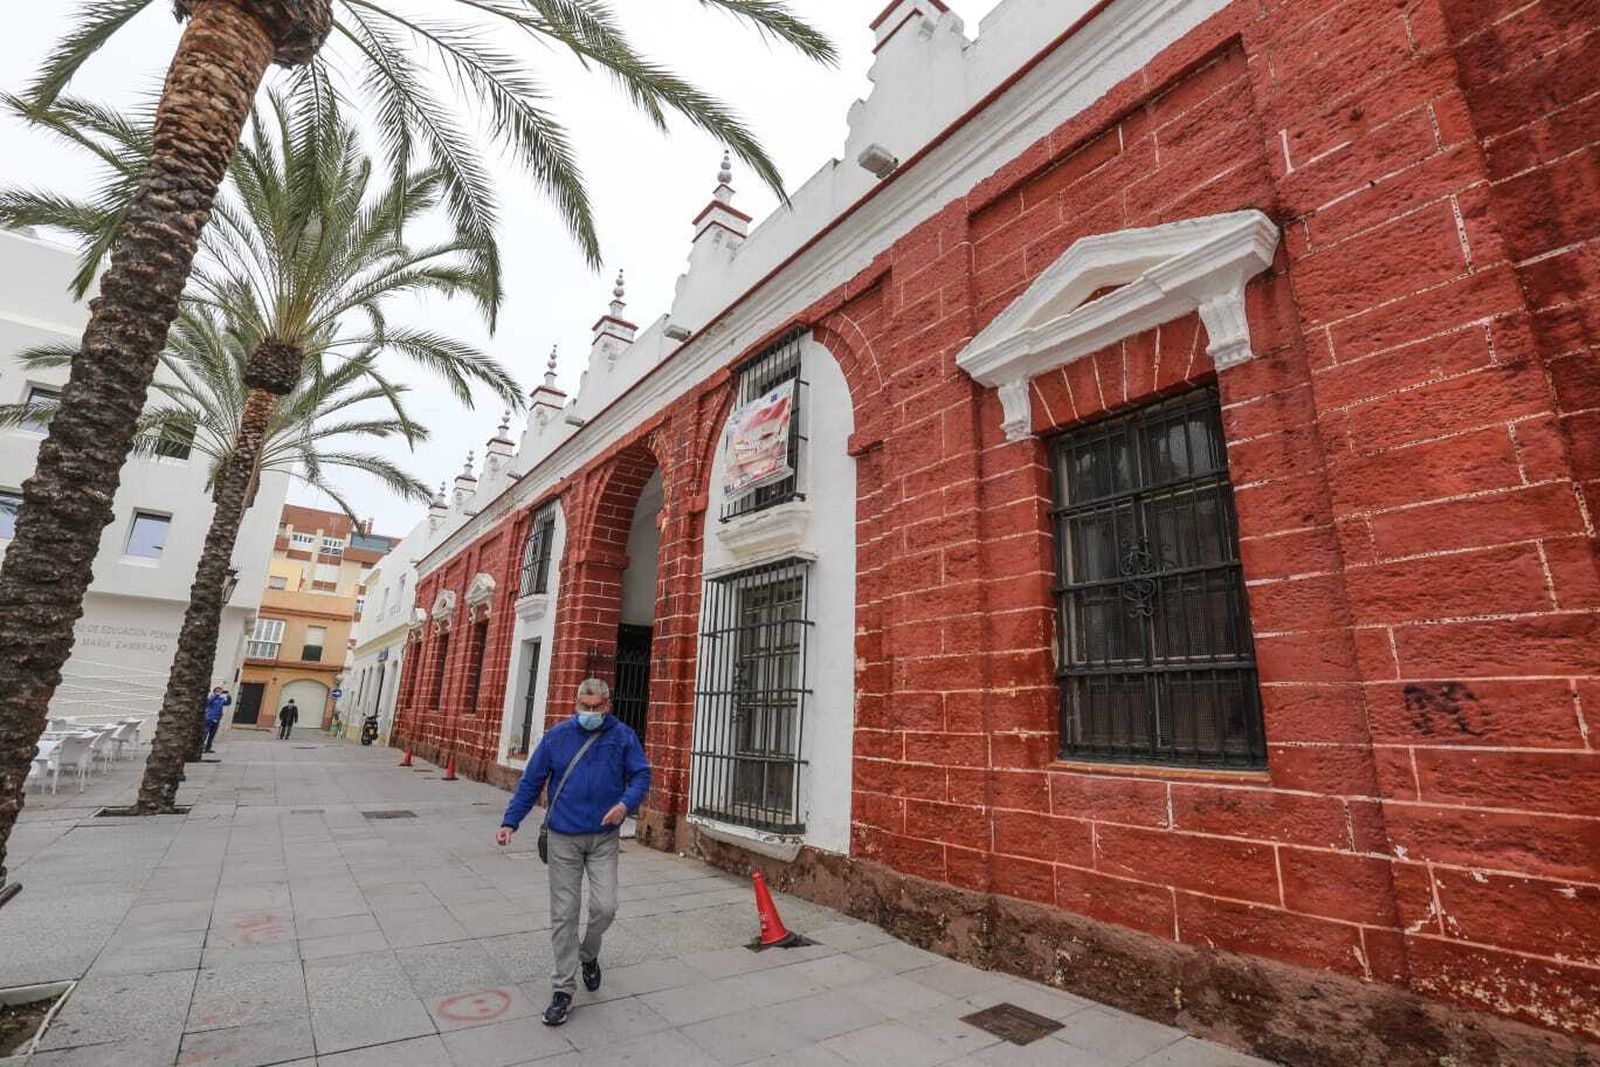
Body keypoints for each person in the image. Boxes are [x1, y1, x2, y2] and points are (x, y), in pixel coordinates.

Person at [496, 678, 650, 1027]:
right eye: (585, 707)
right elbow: (531, 781)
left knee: (605, 907)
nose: (591, 713)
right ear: (575, 703)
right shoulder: (557, 737)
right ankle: (563, 989)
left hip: (604, 838)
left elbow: (641, 775)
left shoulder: (622, 736)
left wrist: (625, 805)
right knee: (564, 913)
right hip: (564, 837)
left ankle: (588, 954)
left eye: (597, 708)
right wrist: (511, 821)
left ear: (608, 705)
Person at [202, 686, 231, 752]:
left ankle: (208, 748)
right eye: (217, 691)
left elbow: (228, 703)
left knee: (212, 734)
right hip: (209, 718)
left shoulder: (221, 699)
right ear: (214, 692)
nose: (219, 692)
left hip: (217, 719)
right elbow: (208, 703)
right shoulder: (211, 698)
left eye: (220, 691)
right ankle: (201, 747)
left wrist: (229, 696)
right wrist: (215, 696)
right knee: (205, 733)